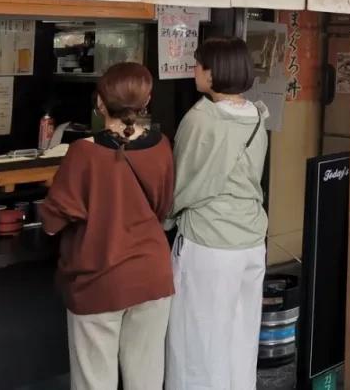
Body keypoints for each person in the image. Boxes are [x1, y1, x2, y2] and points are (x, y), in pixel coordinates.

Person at [40, 63, 174, 390]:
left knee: (94, 381)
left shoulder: (83, 153)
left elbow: (54, 219)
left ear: (100, 103)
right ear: (147, 101)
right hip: (152, 275)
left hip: (98, 277)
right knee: (146, 379)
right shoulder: (162, 145)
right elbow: (163, 207)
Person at [166, 37, 269, 390]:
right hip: (251, 239)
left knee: (197, 344)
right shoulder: (256, 115)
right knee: (240, 340)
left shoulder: (201, 120)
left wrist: (162, 218)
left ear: (214, 73)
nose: (194, 69)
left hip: (208, 242)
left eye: (199, 64)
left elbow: (181, 184)